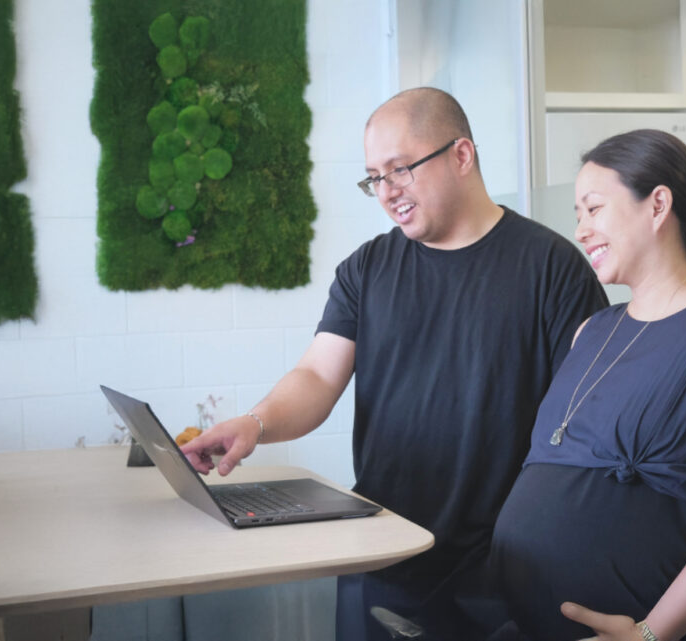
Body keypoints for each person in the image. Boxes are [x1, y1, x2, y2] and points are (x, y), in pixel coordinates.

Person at [181, 87, 607, 640]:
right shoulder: (367, 269)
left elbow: (591, 418)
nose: (386, 192)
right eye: (374, 178)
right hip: (382, 552)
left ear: (461, 155)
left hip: (503, 571)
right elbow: (316, 375)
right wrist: (255, 424)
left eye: (400, 169)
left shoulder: (552, 268)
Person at [490, 129, 686, 641]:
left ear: (657, 205)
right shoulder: (593, 330)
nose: (581, 230)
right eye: (578, 213)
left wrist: (651, 634)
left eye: (594, 208)